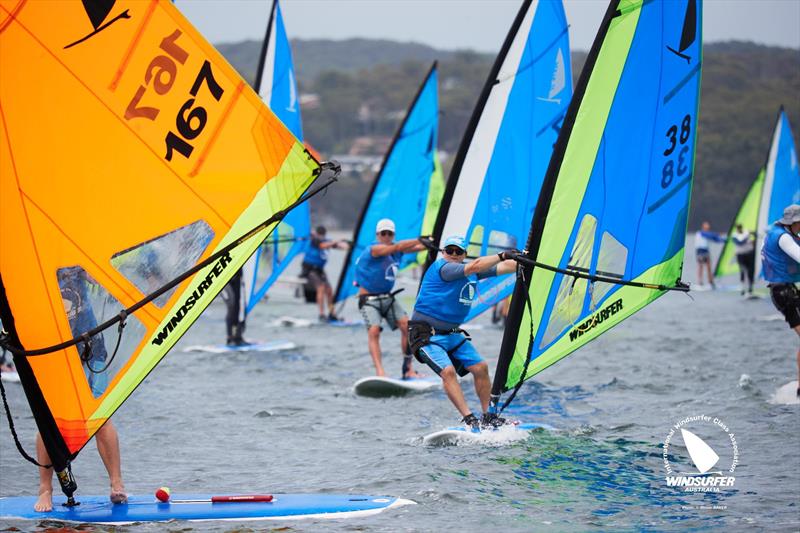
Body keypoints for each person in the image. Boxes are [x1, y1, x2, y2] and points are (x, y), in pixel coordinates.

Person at [36, 268, 126, 511]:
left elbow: (100, 276)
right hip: (53, 350)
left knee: (101, 416)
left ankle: (116, 483)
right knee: (49, 421)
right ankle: (45, 489)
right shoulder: (32, 266)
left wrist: (116, 287)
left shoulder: (71, 258)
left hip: (90, 345)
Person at [408, 236, 517, 429]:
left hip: (452, 335)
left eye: (459, 252)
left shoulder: (470, 271)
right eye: (450, 250)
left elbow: (506, 268)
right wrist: (502, 254)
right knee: (448, 372)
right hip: (427, 336)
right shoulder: (443, 267)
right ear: (443, 252)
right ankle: (468, 418)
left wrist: (525, 260)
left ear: (464, 254)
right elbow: (475, 266)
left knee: (481, 367)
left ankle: (489, 417)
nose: (454, 255)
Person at [355, 218, 427, 378]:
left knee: (407, 328)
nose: (386, 236)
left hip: (388, 298)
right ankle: (380, 371)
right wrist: (419, 239)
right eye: (383, 233)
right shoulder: (373, 249)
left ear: (393, 234)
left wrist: (433, 242)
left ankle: (407, 369)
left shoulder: (396, 249)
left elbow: (418, 247)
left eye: (389, 233)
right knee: (374, 331)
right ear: (378, 235)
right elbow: (400, 246)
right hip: (369, 300)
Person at [761, 204, 800, 396]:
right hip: (783, 293)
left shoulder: (777, 232)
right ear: (792, 223)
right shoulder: (783, 237)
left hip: (788, 290)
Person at [301, 226, 348, 321]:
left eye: (322, 236)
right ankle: (321, 314)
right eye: (320, 236)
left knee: (329, 290)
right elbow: (323, 246)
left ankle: (332, 313)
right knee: (321, 288)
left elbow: (340, 247)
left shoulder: (326, 240)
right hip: (309, 270)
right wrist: (336, 241)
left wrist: (347, 245)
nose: (321, 237)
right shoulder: (315, 240)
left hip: (319, 270)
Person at [221, 269, 248, 346]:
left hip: (237, 277)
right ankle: (230, 338)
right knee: (231, 306)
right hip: (224, 280)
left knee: (239, 307)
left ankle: (237, 337)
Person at [695, 221, 725, 288]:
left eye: (708, 227)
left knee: (709, 267)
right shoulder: (700, 233)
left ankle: (710, 282)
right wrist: (718, 234)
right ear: (703, 227)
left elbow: (716, 239)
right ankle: (700, 282)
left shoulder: (708, 233)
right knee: (701, 266)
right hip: (700, 251)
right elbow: (710, 235)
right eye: (706, 226)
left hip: (706, 251)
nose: (708, 228)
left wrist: (724, 240)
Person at [732, 223, 756, 296]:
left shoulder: (746, 232)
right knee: (743, 271)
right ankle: (743, 289)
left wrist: (753, 235)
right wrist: (747, 234)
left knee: (750, 271)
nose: (739, 229)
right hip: (741, 256)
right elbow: (740, 242)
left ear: (741, 227)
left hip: (749, 254)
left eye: (740, 227)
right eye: (738, 228)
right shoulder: (734, 235)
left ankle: (750, 289)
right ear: (737, 228)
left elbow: (755, 236)